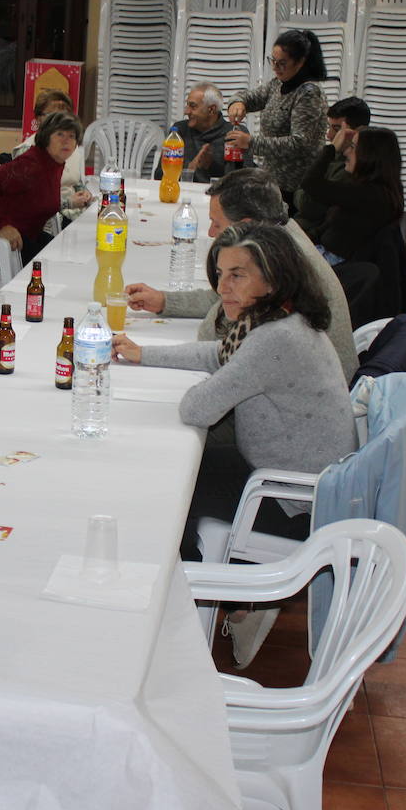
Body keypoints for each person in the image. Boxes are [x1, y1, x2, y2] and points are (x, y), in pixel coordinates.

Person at [113, 223, 355, 666]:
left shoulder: (275, 340)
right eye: (221, 273)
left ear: (274, 276)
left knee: (169, 487)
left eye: (237, 275)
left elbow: (196, 409)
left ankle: (181, 615)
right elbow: (219, 356)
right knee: (189, 468)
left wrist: (202, 384)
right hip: (298, 483)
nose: (222, 286)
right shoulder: (282, 319)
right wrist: (143, 353)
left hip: (292, 505)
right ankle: (215, 598)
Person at [123, 168, 358, 382]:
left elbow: (212, 340)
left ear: (245, 224)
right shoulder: (280, 236)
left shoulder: (279, 265)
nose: (211, 232)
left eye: (217, 223)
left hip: (304, 404)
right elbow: (224, 300)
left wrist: (146, 352)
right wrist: (166, 301)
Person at [225, 29, 329, 200]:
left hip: (295, 187)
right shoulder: (278, 84)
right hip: (273, 181)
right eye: (272, 61)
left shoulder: (309, 94)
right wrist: (237, 102)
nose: (275, 67)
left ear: (300, 62)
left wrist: (251, 142)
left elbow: (299, 143)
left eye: (282, 63)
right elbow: (250, 97)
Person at [0, 111, 84, 266]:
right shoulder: (32, 164)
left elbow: (36, 203)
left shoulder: (54, 164)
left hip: (27, 235)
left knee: (70, 255)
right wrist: (2, 225)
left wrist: (70, 203)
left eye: (71, 136)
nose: (66, 141)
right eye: (60, 134)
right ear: (46, 137)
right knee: (58, 265)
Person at [299, 125, 404, 264]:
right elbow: (330, 224)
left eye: (353, 147)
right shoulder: (373, 188)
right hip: (325, 253)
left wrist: (332, 148)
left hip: (334, 264)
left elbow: (310, 183)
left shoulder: (370, 195)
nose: (346, 152)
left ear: (370, 156)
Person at [9, 89, 92, 220]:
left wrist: (85, 193)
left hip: (77, 215)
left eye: (63, 116)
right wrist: (69, 202)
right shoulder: (27, 150)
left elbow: (76, 182)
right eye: (52, 116)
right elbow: (29, 202)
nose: (58, 122)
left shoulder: (72, 148)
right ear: (38, 119)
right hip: (49, 222)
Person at [295, 95, 371, 238]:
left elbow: (308, 206)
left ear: (355, 131)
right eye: (329, 127)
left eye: (336, 129)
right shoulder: (331, 156)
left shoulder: (350, 167)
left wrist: (300, 194)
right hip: (302, 226)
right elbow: (301, 190)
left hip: (315, 236)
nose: (329, 135)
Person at [152, 83, 232, 183]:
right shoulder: (178, 131)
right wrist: (189, 170)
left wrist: (212, 165)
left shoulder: (233, 134)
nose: (186, 111)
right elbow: (159, 176)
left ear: (211, 110)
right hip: (182, 195)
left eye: (193, 106)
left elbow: (243, 182)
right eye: (187, 105)